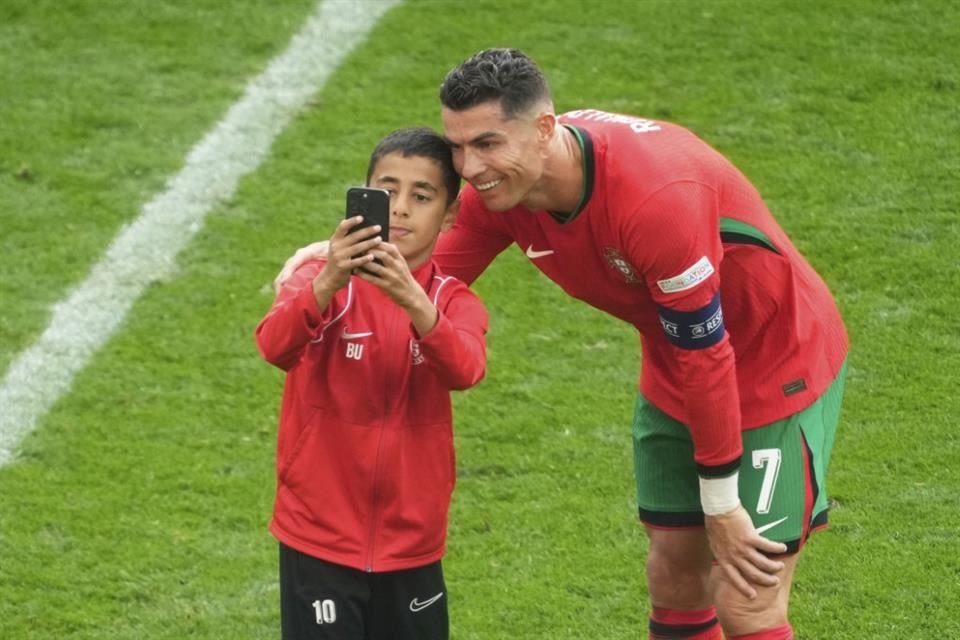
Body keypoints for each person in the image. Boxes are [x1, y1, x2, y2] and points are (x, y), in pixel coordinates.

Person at [275, 49, 848, 640]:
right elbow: (421, 274)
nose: (469, 169)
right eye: (458, 147)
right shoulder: (505, 193)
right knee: (676, 576)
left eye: (488, 144)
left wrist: (724, 503)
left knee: (747, 597)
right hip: (676, 365)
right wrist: (329, 265)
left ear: (545, 129)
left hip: (778, 363)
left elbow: (708, 353)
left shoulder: (656, 201)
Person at [256, 127, 488, 640]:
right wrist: (326, 282)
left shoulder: (453, 301)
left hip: (412, 542)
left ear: (450, 216)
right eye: (387, 191)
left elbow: (466, 368)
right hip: (318, 536)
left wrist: (413, 302)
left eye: (421, 196)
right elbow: (274, 346)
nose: (401, 208)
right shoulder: (320, 279)